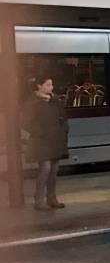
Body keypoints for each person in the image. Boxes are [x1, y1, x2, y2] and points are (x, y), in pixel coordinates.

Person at [20, 75, 68, 211]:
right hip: (41, 141)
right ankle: (39, 200)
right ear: (39, 86)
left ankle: (52, 198)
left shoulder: (55, 100)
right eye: (47, 85)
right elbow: (25, 122)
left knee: (54, 170)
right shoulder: (33, 102)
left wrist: (64, 130)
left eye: (51, 85)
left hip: (55, 139)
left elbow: (63, 117)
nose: (50, 87)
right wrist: (40, 132)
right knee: (45, 169)